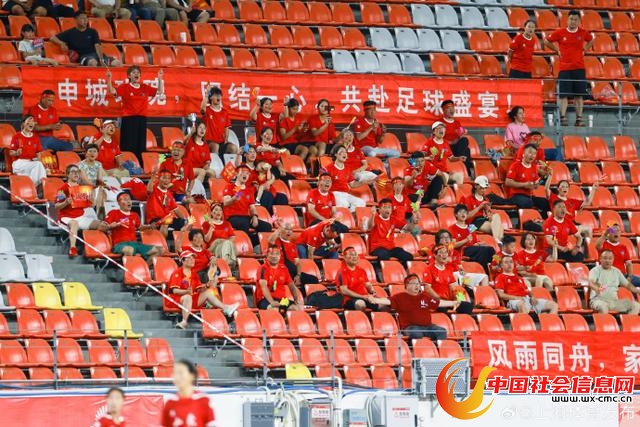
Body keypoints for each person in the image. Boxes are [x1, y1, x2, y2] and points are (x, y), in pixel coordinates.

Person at [544, 10, 594, 127]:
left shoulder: (583, 32)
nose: (573, 21)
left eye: (575, 19)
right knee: (563, 95)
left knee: (579, 95)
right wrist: (556, 50)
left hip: (579, 68)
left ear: (579, 21)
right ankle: (563, 118)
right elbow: (546, 41)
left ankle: (579, 119)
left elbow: (591, 39)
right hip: (564, 69)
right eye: (571, 19)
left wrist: (585, 49)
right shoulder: (560, 32)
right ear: (567, 20)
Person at [107, 65, 163, 163]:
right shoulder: (125, 87)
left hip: (141, 119)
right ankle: (126, 164)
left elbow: (159, 91)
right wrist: (109, 78)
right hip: (129, 119)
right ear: (129, 76)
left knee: (140, 145)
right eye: (133, 72)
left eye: (138, 73)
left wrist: (160, 79)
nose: (136, 74)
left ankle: (139, 165)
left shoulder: (145, 87)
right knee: (128, 144)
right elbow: (112, 91)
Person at [170, 250, 237, 329]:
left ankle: (225, 308)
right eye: (190, 258)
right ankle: (184, 321)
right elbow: (174, 291)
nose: (193, 260)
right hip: (176, 300)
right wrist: (186, 291)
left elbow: (199, 290)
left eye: (193, 258)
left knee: (207, 293)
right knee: (187, 297)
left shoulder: (194, 274)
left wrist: (207, 285)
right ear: (183, 261)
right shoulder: (177, 272)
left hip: (191, 299)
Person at [56, 165, 109, 257]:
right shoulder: (62, 189)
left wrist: (92, 200)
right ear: (68, 174)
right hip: (67, 217)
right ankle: (73, 248)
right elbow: (57, 206)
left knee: (103, 225)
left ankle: (98, 248)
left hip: (81, 216)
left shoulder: (82, 188)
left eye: (77, 172)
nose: (76, 174)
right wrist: (66, 202)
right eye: (73, 172)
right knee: (74, 223)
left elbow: (90, 205)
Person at [390, 274, 459, 341]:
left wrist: (453, 303)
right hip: (410, 327)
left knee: (441, 331)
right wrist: (381, 301)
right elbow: (387, 301)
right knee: (416, 333)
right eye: (414, 283)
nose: (417, 285)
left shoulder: (425, 297)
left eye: (418, 283)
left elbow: (439, 303)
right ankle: (418, 348)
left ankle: (439, 348)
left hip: (427, 326)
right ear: (407, 286)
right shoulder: (400, 297)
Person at [104, 192, 163, 262]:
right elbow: (103, 227)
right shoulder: (113, 213)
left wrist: (150, 226)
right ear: (119, 203)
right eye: (125, 199)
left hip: (134, 244)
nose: (129, 201)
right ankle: (128, 268)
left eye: (129, 199)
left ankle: (144, 267)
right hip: (120, 244)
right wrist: (110, 226)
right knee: (129, 250)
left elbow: (140, 227)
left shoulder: (135, 215)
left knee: (160, 250)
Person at [491, 143, 549, 213]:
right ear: (523, 153)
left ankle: (542, 218)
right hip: (516, 196)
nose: (532, 155)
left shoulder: (534, 167)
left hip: (529, 196)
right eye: (530, 152)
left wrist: (538, 182)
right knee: (527, 202)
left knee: (546, 202)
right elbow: (508, 182)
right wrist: (524, 185)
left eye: (534, 153)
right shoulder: (515, 166)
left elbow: (536, 186)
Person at [222, 165, 272, 245]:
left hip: (246, 217)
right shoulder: (230, 187)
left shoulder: (249, 190)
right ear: (237, 174)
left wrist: (254, 216)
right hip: (232, 217)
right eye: (242, 172)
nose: (245, 174)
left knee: (267, 227)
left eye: (247, 173)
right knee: (244, 223)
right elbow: (225, 202)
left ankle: (251, 242)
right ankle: (246, 243)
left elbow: (252, 207)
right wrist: (233, 199)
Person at [51, 12, 121, 66]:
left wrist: (101, 59)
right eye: (82, 18)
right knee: (93, 63)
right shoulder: (70, 32)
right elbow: (52, 38)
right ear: (75, 20)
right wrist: (61, 43)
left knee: (117, 63)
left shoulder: (92, 31)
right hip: (83, 57)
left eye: (86, 18)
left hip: (98, 56)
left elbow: (97, 45)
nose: (85, 20)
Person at [161, 360, 215, 426]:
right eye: (175, 373)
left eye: (181, 373)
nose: (177, 377)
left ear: (191, 376)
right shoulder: (170, 403)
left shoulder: (203, 400)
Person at [338, 246, 390, 311]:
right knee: (360, 304)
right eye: (351, 255)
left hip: (364, 297)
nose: (354, 257)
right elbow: (344, 291)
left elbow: (367, 284)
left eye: (355, 255)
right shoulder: (342, 272)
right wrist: (362, 296)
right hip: (349, 299)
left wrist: (372, 291)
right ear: (345, 258)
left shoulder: (361, 270)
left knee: (384, 305)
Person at [588, 250, 640, 314]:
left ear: (613, 260)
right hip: (598, 300)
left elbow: (627, 285)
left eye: (610, 258)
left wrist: (637, 291)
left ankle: (628, 320)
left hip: (614, 302)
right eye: (605, 258)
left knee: (636, 306)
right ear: (600, 259)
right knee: (603, 307)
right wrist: (596, 288)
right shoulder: (594, 270)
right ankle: (603, 321)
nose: (607, 261)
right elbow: (591, 282)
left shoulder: (617, 271)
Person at [255, 246, 304, 311]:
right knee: (274, 309)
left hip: (282, 300)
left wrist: (296, 299)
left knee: (296, 308)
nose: (274, 256)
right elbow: (263, 287)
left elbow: (291, 285)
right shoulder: (263, 268)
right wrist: (272, 302)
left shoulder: (283, 268)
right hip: (265, 300)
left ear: (280, 256)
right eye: (272, 254)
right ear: (267, 255)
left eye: (277, 254)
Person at [325, 144, 371, 211]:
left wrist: (364, 182)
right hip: (333, 193)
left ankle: (349, 216)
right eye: (342, 151)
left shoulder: (347, 168)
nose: (344, 153)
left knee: (361, 203)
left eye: (345, 152)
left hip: (345, 194)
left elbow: (352, 184)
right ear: (336, 154)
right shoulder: (328, 168)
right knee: (344, 204)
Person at [366, 199, 413, 264]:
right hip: (377, 248)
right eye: (385, 207)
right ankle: (380, 269)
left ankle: (400, 269)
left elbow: (408, 228)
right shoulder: (376, 218)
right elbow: (370, 226)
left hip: (391, 248)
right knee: (384, 255)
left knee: (408, 257)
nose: (387, 209)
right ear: (379, 210)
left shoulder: (393, 219)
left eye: (389, 207)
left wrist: (414, 221)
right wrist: (372, 215)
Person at [460, 175, 504, 246]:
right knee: (499, 228)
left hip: (483, 220)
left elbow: (488, 217)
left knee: (496, 217)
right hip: (471, 226)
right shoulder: (467, 199)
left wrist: (487, 211)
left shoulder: (486, 199)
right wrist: (479, 207)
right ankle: (497, 242)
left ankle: (497, 241)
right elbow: (465, 217)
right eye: (481, 188)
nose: (483, 190)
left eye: (485, 188)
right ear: (476, 186)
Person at [449, 204, 495, 268]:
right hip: (463, 250)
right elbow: (452, 245)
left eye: (465, 212)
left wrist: (479, 243)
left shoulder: (471, 226)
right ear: (456, 214)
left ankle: (493, 269)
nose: (463, 214)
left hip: (474, 249)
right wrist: (466, 240)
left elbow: (475, 242)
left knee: (491, 250)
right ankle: (483, 269)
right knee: (483, 251)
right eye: (460, 212)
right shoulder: (452, 228)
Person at [595, 224, 640, 288]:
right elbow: (597, 246)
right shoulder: (604, 244)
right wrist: (605, 234)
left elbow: (628, 264)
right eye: (613, 231)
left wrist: (629, 277)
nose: (616, 232)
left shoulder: (623, 247)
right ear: (609, 234)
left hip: (622, 276)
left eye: (618, 231)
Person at [145, 169, 186, 236]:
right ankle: (162, 242)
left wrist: (184, 221)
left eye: (168, 178)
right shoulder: (154, 189)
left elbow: (176, 210)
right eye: (164, 178)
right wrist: (152, 178)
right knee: (165, 223)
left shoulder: (169, 194)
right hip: (155, 220)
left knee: (186, 223)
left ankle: (179, 241)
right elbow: (149, 190)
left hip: (167, 219)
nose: (166, 180)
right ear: (159, 179)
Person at [9, 115, 47, 186]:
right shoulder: (17, 136)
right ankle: (37, 188)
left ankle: (32, 187)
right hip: (19, 163)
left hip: (31, 163)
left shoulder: (36, 137)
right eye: (29, 121)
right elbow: (11, 152)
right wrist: (16, 153)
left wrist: (37, 158)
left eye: (33, 121)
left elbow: (38, 154)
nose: (31, 123)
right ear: (23, 123)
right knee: (38, 166)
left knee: (38, 167)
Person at [440, 99, 473, 176]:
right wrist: (452, 141)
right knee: (466, 151)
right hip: (445, 148)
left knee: (465, 142)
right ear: (443, 110)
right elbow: (438, 138)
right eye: (449, 108)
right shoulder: (439, 123)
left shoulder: (457, 122)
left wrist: (463, 132)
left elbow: (460, 135)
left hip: (456, 149)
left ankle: (466, 173)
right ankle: (466, 171)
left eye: (453, 108)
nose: (452, 110)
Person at [200, 85, 235, 156]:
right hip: (208, 141)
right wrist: (207, 94)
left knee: (233, 148)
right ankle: (214, 163)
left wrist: (226, 140)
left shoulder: (225, 112)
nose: (218, 97)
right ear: (211, 98)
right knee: (215, 146)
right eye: (216, 95)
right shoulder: (207, 110)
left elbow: (226, 128)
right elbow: (202, 109)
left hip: (221, 142)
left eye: (219, 95)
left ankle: (227, 163)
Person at [201, 203, 237, 269]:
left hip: (225, 246)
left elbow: (232, 237)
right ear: (211, 213)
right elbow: (206, 240)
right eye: (216, 210)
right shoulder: (206, 224)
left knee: (228, 244)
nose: (218, 212)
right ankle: (227, 265)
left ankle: (224, 263)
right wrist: (211, 227)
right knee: (227, 245)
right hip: (214, 247)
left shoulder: (227, 224)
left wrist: (225, 242)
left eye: (220, 210)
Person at [278, 98, 312, 162]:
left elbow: (298, 137)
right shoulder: (284, 119)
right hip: (284, 144)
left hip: (294, 143)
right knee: (303, 149)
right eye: (293, 109)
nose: (295, 111)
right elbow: (283, 137)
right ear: (288, 108)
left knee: (306, 149)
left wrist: (303, 130)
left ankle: (298, 165)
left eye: (297, 109)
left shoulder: (297, 119)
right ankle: (294, 165)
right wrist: (294, 129)